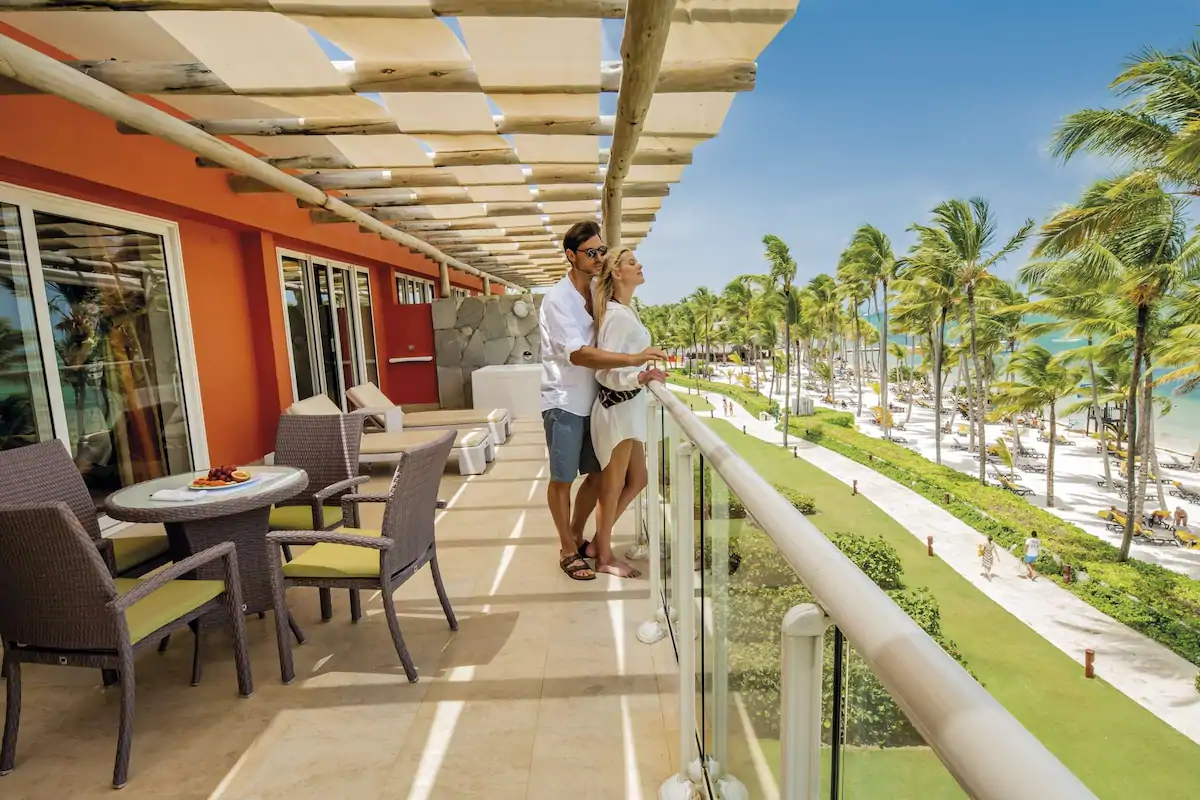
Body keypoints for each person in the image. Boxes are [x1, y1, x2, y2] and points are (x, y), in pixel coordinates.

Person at [539, 221, 666, 581]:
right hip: (564, 400)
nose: (598, 258)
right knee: (563, 479)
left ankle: (579, 536)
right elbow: (578, 354)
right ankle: (567, 549)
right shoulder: (557, 300)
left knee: (597, 477)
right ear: (571, 255)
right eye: (591, 252)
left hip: (597, 400)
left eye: (601, 251)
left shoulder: (598, 292)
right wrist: (635, 361)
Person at [588, 247, 667, 577]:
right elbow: (606, 371)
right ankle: (604, 557)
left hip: (627, 410)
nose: (640, 264)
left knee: (639, 479)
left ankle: (597, 543)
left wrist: (644, 373)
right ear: (617, 274)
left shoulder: (625, 311)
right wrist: (640, 376)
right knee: (612, 486)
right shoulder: (618, 317)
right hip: (617, 410)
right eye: (632, 262)